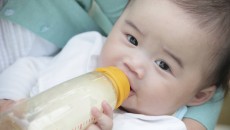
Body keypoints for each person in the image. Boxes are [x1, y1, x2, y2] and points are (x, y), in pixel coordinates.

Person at [0, 0, 228, 130]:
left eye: (163, 65)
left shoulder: (164, 127)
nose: (133, 64)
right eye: (132, 39)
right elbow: (29, 67)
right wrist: (9, 99)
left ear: (198, 96)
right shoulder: (87, 49)